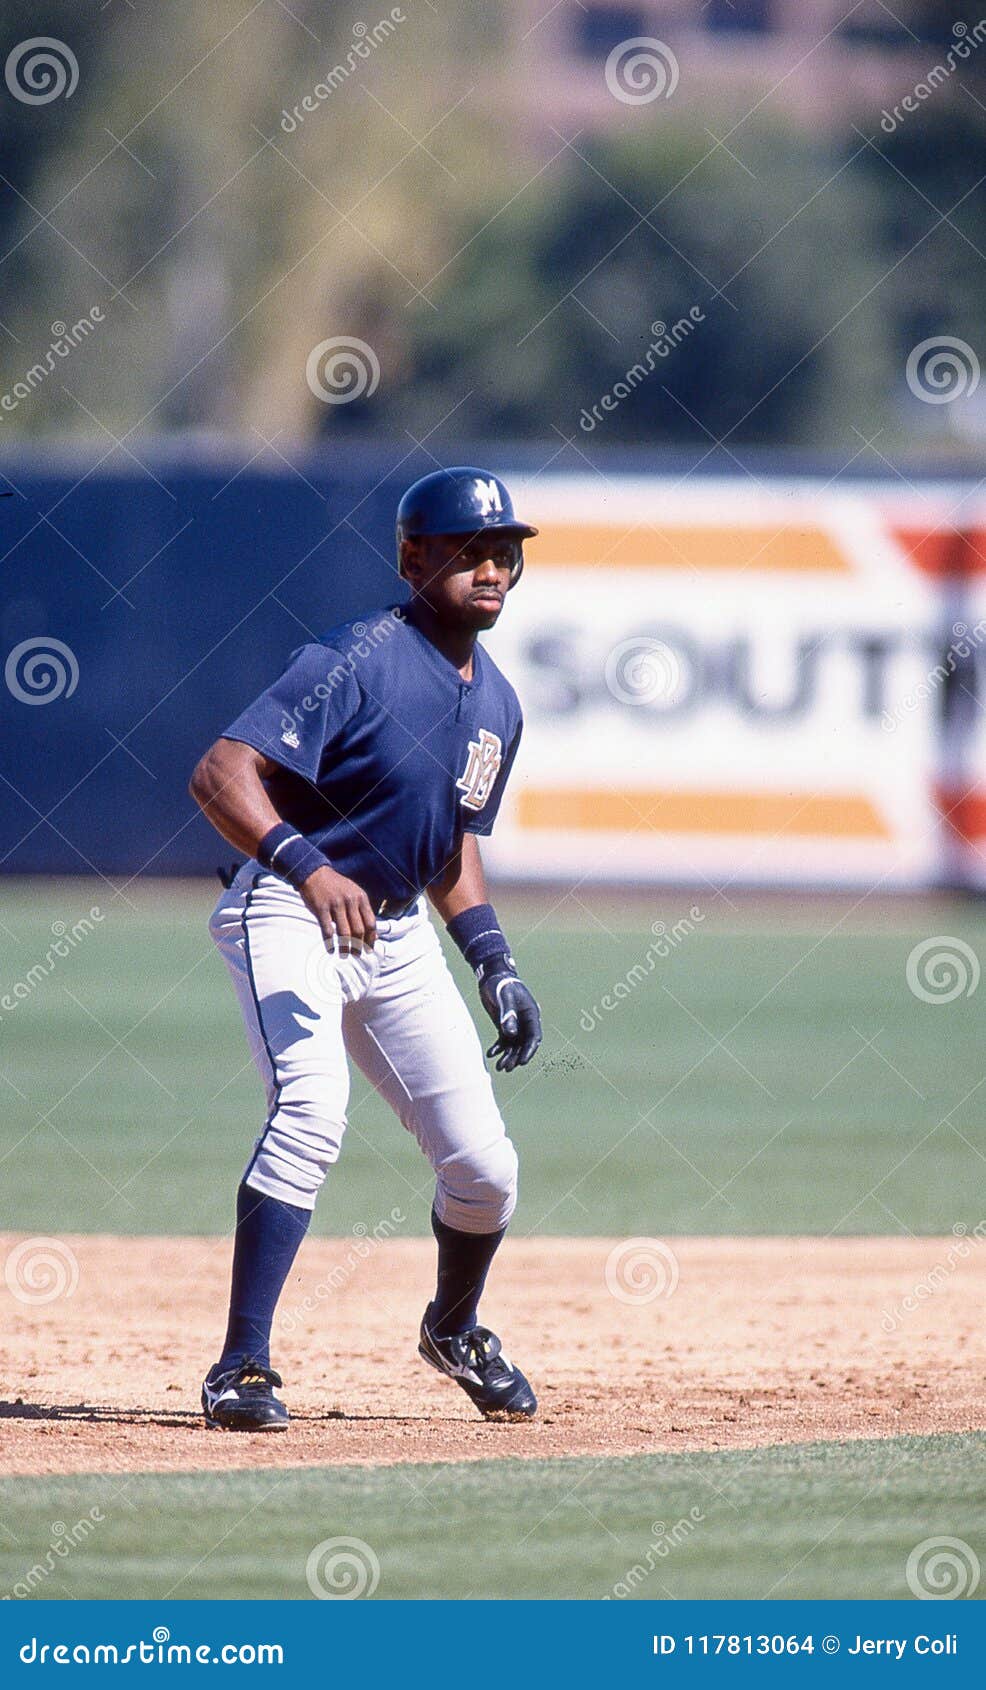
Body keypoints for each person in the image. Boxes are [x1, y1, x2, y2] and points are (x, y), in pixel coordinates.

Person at [188, 467, 543, 1431]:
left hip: (396, 932)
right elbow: (220, 773)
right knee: (311, 1112)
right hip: (289, 909)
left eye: (504, 552)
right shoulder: (356, 657)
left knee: (486, 1170)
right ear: (413, 556)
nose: (492, 568)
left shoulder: (500, 703)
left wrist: (493, 958)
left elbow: (449, 839)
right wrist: (306, 865)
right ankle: (241, 1367)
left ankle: (454, 1328)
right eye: (469, 549)